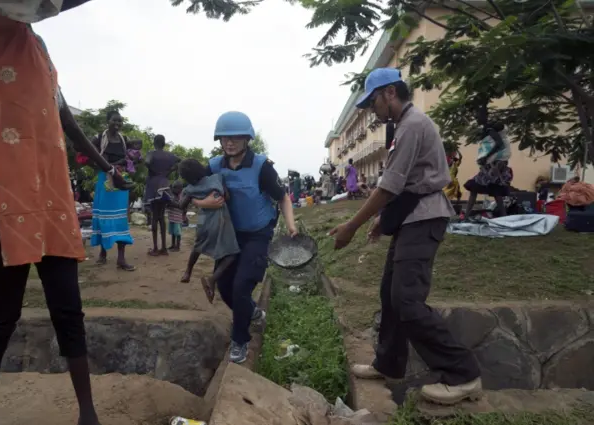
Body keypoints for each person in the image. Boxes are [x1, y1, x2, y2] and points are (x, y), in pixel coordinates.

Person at [0, 4, 126, 424]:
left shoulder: (40, 49)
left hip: (52, 195)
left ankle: (87, 412)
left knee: (68, 305)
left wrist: (109, 169)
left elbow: (65, 118)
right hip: (7, 194)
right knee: (1, 312)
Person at [329, 68, 482, 406]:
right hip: (412, 216)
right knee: (390, 294)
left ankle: (463, 374)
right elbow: (404, 185)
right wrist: (384, 221)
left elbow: (390, 186)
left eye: (373, 102)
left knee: (407, 302)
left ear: (389, 93)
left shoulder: (412, 126)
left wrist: (351, 226)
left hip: (424, 219)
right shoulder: (404, 126)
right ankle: (389, 363)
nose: (372, 110)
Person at [192, 111, 298, 364]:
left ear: (247, 139)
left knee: (242, 286)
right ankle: (252, 312)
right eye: (224, 138)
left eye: (236, 138)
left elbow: (282, 197)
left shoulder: (261, 167)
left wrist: (291, 225)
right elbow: (191, 192)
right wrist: (202, 201)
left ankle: (240, 340)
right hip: (228, 236)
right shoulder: (214, 165)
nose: (230, 143)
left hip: (257, 235)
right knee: (226, 289)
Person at [178, 159, 240, 303]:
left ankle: (187, 272)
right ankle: (212, 279)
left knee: (198, 246)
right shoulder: (217, 178)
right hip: (220, 220)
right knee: (231, 254)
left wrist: (194, 198)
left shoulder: (189, 189)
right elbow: (227, 196)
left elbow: (181, 205)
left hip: (203, 221)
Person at [90, 110, 136, 271]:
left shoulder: (124, 139)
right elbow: (92, 157)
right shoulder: (98, 138)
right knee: (104, 216)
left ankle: (121, 259)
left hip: (120, 180)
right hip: (105, 180)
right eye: (114, 121)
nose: (117, 124)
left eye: (120, 121)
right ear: (107, 121)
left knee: (121, 218)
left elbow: (134, 152)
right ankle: (103, 253)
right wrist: (112, 164)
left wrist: (132, 158)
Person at [463, 116, 512, 218]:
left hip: (494, 165)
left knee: (489, 190)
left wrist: (486, 156)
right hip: (494, 164)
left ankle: (467, 216)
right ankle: (504, 217)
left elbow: (499, 144)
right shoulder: (494, 133)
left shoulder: (491, 131)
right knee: (494, 191)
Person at [144, 134, 180, 256]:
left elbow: (147, 162)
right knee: (161, 216)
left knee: (155, 216)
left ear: (154, 143)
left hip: (154, 185)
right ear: (164, 144)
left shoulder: (151, 153)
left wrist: (154, 172)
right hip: (165, 185)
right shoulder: (170, 155)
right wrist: (169, 171)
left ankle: (155, 248)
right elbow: (180, 160)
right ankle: (164, 248)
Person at [167, 180, 185, 251]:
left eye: (175, 188)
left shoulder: (182, 196)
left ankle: (177, 247)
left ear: (180, 189)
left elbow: (182, 206)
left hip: (178, 218)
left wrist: (172, 203)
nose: (173, 189)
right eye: (173, 188)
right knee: (173, 232)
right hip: (171, 217)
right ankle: (173, 245)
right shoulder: (172, 195)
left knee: (177, 233)